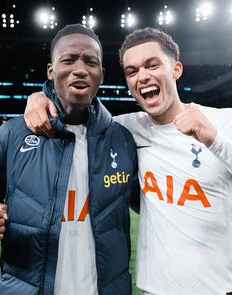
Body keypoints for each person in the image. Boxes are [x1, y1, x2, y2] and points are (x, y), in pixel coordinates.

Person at [22, 26, 232, 295]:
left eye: (152, 65)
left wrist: (214, 139)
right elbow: (78, 115)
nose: (142, 76)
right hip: (154, 289)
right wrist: (39, 97)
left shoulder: (223, 121)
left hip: (218, 288)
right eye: (132, 71)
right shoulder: (127, 130)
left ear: (176, 69)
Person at [0, 24, 140, 295]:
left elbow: (152, 205)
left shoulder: (122, 139)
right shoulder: (12, 134)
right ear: (51, 71)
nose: (81, 69)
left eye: (90, 62)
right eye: (69, 59)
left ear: (101, 74)